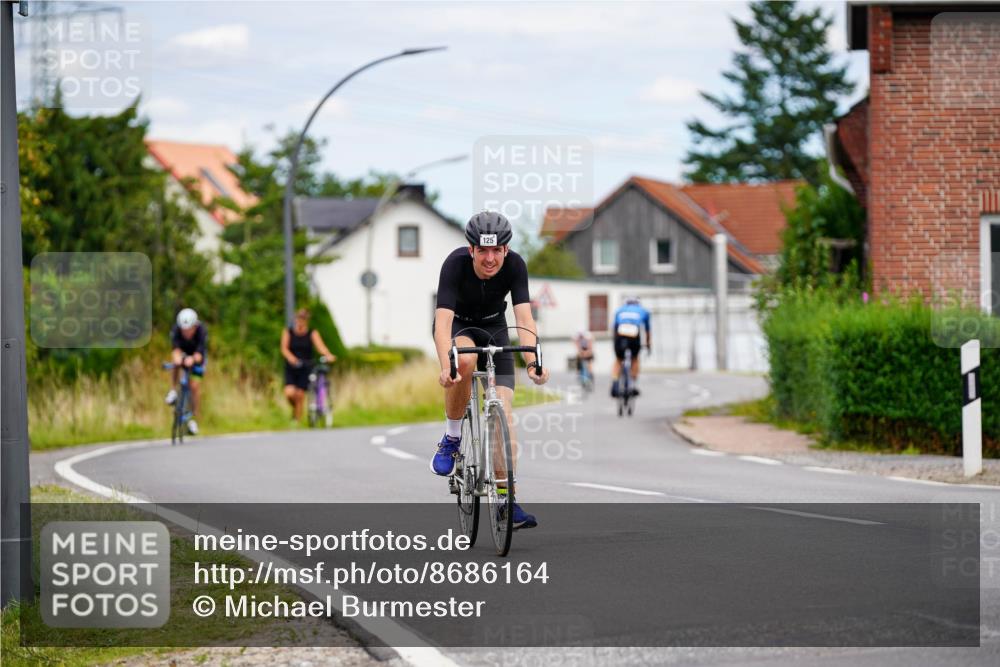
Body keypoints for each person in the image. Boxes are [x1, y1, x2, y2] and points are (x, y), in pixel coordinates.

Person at [432, 211, 549, 529]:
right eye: (482, 250)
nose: (489, 258)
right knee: (465, 362)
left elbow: (524, 319)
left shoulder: (515, 266)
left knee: (504, 412)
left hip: (496, 329)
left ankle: (506, 503)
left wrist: (533, 362)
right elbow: (442, 324)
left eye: (496, 250)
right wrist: (448, 366)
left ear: (506, 250)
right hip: (461, 327)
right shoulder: (454, 265)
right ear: (471, 250)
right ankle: (452, 438)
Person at [281, 308, 336, 424]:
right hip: (292, 367)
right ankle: (295, 410)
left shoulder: (312, 333)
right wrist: (292, 359)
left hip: (306, 366)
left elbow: (320, 347)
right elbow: (284, 348)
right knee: (289, 393)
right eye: (299, 318)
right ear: (296, 319)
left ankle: (296, 421)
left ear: (307, 320)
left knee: (300, 395)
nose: (300, 321)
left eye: (303, 319)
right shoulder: (288, 332)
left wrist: (328, 355)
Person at [165, 308, 207, 435]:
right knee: (175, 364)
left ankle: (194, 418)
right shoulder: (176, 330)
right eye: (184, 330)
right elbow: (175, 349)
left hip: (197, 358)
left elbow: (200, 353)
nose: (186, 333)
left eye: (189, 330)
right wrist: (178, 359)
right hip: (183, 355)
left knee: (194, 386)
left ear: (195, 326)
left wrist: (193, 359)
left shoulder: (201, 331)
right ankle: (173, 391)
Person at [610, 296, 651, 398]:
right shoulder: (643, 311)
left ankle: (615, 383)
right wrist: (648, 344)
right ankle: (632, 384)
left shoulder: (619, 310)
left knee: (619, 359)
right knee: (635, 358)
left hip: (620, 333)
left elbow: (614, 328)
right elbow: (647, 331)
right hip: (633, 333)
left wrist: (615, 343)